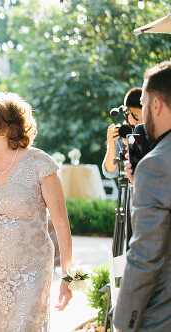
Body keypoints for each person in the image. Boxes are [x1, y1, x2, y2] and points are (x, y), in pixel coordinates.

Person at [0, 92, 75, 331]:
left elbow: (61, 223)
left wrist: (68, 276)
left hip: (31, 272)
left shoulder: (41, 164)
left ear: (3, 128)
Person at [114, 61, 171, 332]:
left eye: (145, 102)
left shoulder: (157, 164)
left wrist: (123, 322)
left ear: (156, 105)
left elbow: (146, 257)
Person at [103, 87, 144, 179]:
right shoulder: (122, 133)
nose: (139, 123)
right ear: (126, 113)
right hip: (127, 191)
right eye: (136, 117)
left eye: (143, 117)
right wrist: (111, 144)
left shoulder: (151, 133)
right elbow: (110, 172)